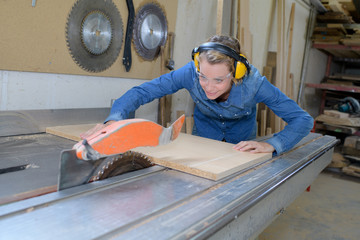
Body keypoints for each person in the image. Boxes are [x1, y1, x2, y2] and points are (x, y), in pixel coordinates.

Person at [88, 35, 314, 156]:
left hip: (241, 148)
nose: (208, 87)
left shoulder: (255, 84)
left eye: (219, 80)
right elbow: (143, 92)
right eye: (203, 77)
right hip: (201, 142)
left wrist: (274, 144)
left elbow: (303, 120)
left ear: (236, 74)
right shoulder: (190, 73)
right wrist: (114, 120)